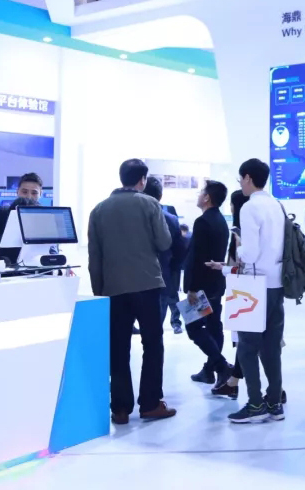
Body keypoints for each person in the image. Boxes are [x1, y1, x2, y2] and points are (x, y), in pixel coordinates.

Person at [88, 159, 176, 425]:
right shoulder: (150, 204)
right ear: (142, 180)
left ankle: (120, 408)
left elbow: (95, 257)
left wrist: (99, 292)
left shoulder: (99, 210)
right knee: (152, 345)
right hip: (147, 284)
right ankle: (150, 404)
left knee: (118, 347)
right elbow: (164, 242)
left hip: (113, 288)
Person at [207, 159, 286, 424]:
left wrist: (239, 247)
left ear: (248, 178)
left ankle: (255, 403)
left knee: (247, 347)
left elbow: (250, 254)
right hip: (276, 282)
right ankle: (274, 402)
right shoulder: (276, 204)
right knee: (272, 347)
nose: (240, 183)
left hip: (253, 285)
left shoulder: (250, 207)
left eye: (241, 178)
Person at [183, 180, 233, 389]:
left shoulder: (202, 222)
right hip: (216, 283)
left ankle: (221, 365)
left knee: (193, 327)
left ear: (207, 197)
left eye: (200, 192)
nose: (198, 195)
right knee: (214, 326)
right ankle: (209, 370)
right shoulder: (220, 220)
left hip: (202, 286)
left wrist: (192, 288)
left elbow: (198, 258)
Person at [211, 190, 250, 399]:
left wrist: (224, 268)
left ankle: (274, 390)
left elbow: (241, 266)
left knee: (248, 340)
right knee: (251, 340)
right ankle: (233, 381)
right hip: (247, 290)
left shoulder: (239, 232)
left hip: (244, 291)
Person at [143, 177, 186, 335]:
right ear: (160, 195)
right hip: (162, 275)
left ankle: (175, 322)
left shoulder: (130, 218)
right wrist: (172, 268)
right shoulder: (171, 219)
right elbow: (179, 250)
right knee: (155, 329)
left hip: (133, 280)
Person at [0, 172, 44, 255]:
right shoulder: (0, 213)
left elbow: (52, 250)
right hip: (3, 261)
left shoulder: (45, 217)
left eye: (34, 193)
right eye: (24, 192)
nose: (29, 196)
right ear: (17, 192)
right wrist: (11, 232)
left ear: (40, 194)